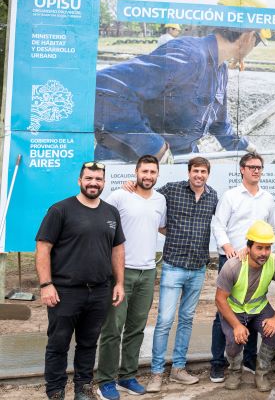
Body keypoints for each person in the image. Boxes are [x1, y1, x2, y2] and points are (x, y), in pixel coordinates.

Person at [94, 0, 268, 163]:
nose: (254, 47)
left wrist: (244, 147)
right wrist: (152, 147)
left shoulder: (220, 68)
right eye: (258, 41)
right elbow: (104, 88)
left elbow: (219, 123)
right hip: (130, 162)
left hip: (177, 159)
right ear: (248, 36)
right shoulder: (190, 57)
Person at [36, 161, 126, 400]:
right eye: (89, 178)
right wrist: (46, 284)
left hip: (99, 291)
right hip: (65, 291)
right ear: (79, 180)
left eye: (98, 179)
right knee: (58, 344)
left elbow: (117, 249)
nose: (93, 183)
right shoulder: (60, 210)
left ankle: (83, 388)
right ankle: (55, 392)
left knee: (88, 343)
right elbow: (43, 247)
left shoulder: (110, 212)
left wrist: (119, 283)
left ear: (104, 183)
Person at [96, 155, 167, 400]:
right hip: (120, 272)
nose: (148, 176)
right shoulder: (119, 196)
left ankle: (127, 375)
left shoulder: (160, 200)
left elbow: (162, 227)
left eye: (152, 172)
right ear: (136, 172)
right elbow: (100, 225)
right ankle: (105, 380)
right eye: (144, 171)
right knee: (113, 328)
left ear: (158, 175)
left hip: (148, 273)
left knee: (136, 328)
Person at [147, 156, 219, 393]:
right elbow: (148, 198)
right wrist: (170, 231)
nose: (199, 175)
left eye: (203, 171)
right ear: (189, 172)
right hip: (173, 265)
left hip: (198, 268)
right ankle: (156, 373)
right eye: (196, 171)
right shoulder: (172, 190)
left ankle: (178, 369)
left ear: (208, 174)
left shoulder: (213, 196)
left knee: (186, 320)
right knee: (165, 321)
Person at [209, 152, 275, 383]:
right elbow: (218, 224)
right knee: (224, 315)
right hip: (233, 262)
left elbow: (271, 229)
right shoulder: (231, 196)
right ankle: (218, 364)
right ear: (242, 169)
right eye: (251, 167)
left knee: (254, 311)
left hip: (257, 263)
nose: (255, 171)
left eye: (259, 167)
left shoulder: (267, 198)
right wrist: (228, 247)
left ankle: (249, 360)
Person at [215, 221, 275, 392]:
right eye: (259, 248)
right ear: (249, 247)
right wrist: (237, 326)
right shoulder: (232, 266)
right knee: (234, 339)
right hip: (234, 310)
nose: (264, 253)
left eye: (267, 248)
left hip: (259, 307)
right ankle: (235, 372)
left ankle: (262, 374)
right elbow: (220, 300)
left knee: (273, 332)